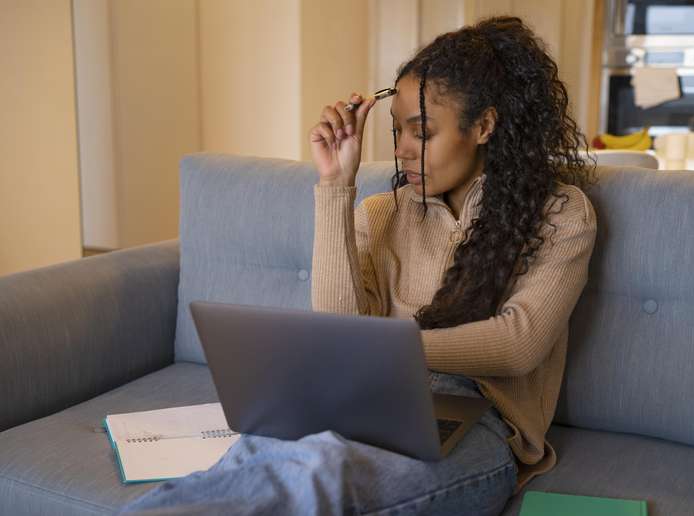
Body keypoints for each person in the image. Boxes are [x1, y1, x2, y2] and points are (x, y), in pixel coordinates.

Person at [120, 15, 597, 516]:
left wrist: (386, 349)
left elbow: (517, 344)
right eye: (397, 132)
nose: (401, 150)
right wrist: (334, 184)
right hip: (365, 396)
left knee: (321, 474)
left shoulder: (559, 213)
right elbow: (338, 324)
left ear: (484, 126)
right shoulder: (382, 211)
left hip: (479, 420)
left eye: (422, 132)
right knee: (257, 455)